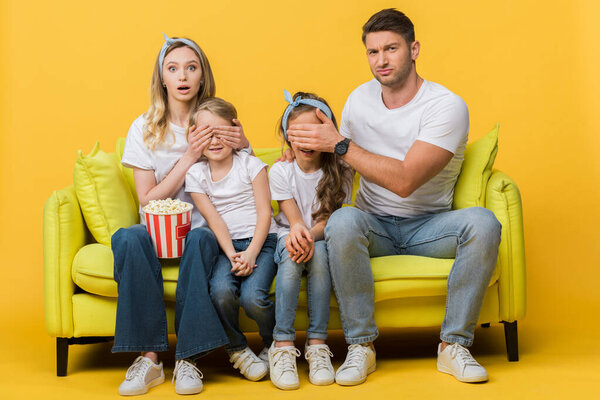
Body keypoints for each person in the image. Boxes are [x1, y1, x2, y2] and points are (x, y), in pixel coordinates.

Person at [285, 9, 502, 385]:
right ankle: (360, 347)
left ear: (413, 49)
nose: (381, 61)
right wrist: (301, 154)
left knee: (484, 223)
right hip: (375, 226)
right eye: (373, 52)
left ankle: (454, 347)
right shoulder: (358, 99)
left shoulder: (446, 105)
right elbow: (343, 168)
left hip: (431, 226)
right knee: (343, 220)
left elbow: (405, 180)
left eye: (391, 49)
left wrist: (336, 143)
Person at [112, 34, 252, 396]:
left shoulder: (217, 122)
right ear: (162, 78)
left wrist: (247, 144)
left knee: (201, 237)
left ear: (202, 75)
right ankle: (151, 359)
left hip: (201, 232)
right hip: (155, 232)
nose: (183, 76)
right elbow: (147, 201)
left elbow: (248, 170)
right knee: (128, 237)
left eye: (191, 67)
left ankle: (189, 360)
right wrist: (189, 156)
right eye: (173, 69)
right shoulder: (143, 128)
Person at [184, 98, 278, 383]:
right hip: (226, 246)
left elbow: (265, 214)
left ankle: (274, 343)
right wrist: (232, 254)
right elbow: (214, 220)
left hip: (261, 242)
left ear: (235, 131)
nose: (214, 141)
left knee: (252, 298)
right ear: (194, 136)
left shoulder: (252, 165)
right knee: (221, 292)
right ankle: (237, 348)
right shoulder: (196, 174)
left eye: (221, 132)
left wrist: (250, 253)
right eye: (206, 133)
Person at [267, 91, 353, 390]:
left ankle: (317, 345)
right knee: (292, 261)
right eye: (298, 135)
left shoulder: (342, 171)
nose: (306, 142)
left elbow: (330, 221)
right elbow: (293, 221)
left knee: (320, 256)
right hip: (289, 234)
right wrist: (299, 234)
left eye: (313, 134)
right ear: (288, 138)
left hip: (320, 236)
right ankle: (282, 345)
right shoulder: (280, 170)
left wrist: (308, 236)